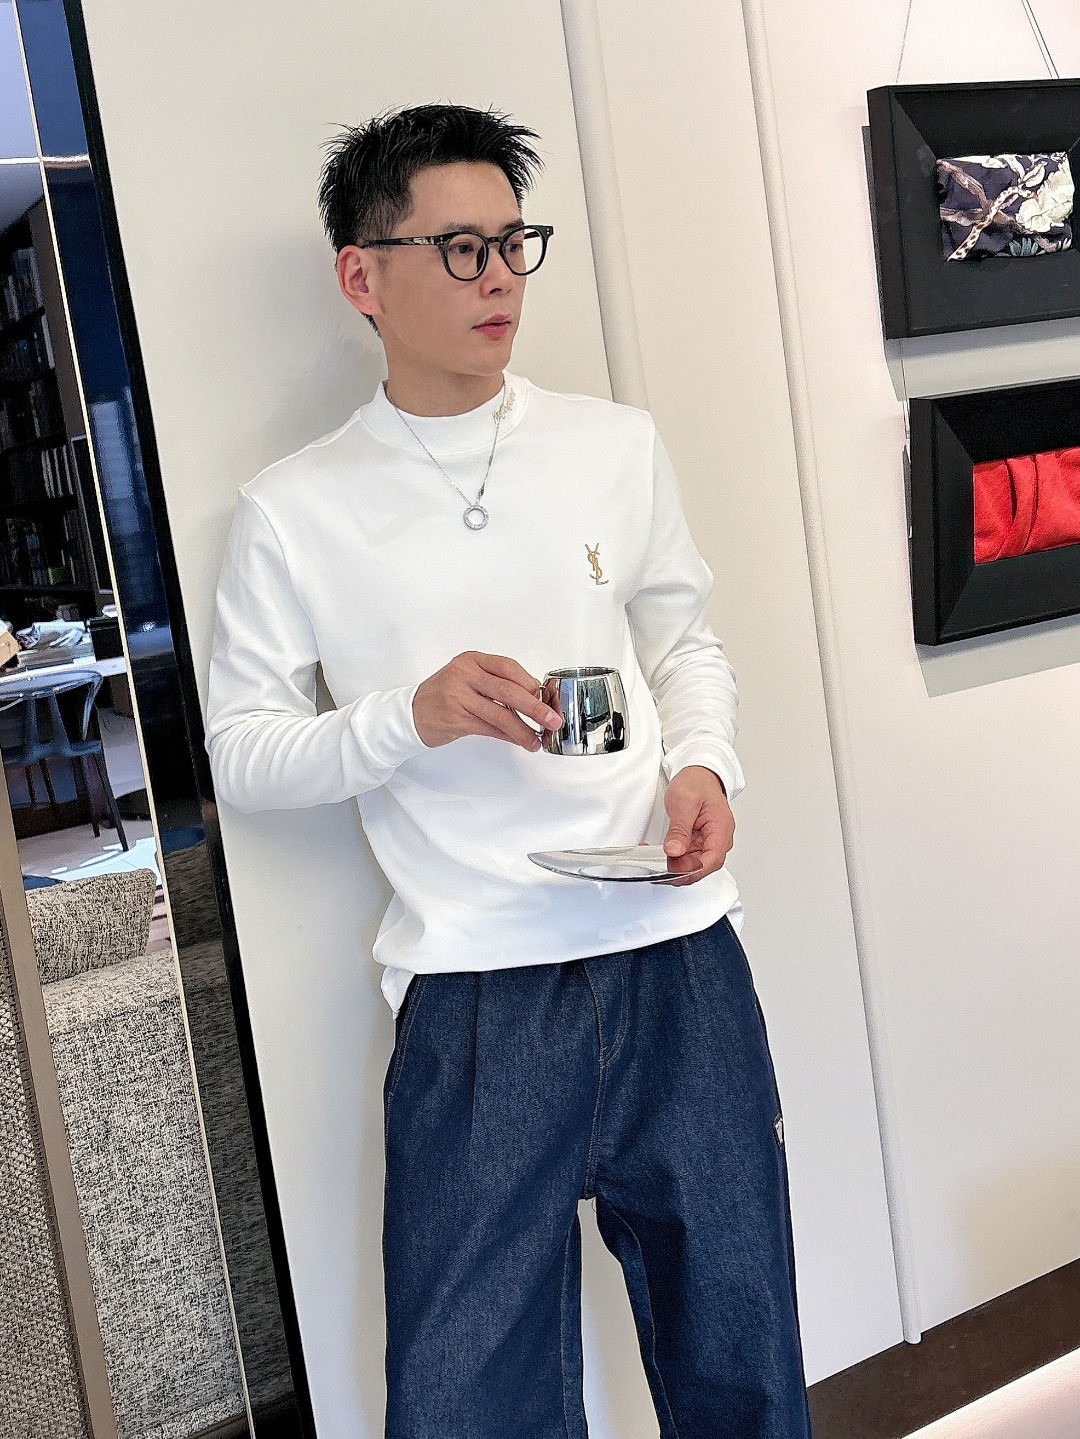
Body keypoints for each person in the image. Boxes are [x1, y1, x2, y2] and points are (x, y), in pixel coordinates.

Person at [204, 102, 813, 1439]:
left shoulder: (613, 445)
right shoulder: (294, 510)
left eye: (513, 243)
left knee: (742, 1352)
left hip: (677, 958)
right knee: (470, 1401)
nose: (499, 279)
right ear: (362, 275)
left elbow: (684, 644)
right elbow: (243, 755)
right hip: (477, 994)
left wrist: (706, 769)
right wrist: (407, 718)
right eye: (460, 247)